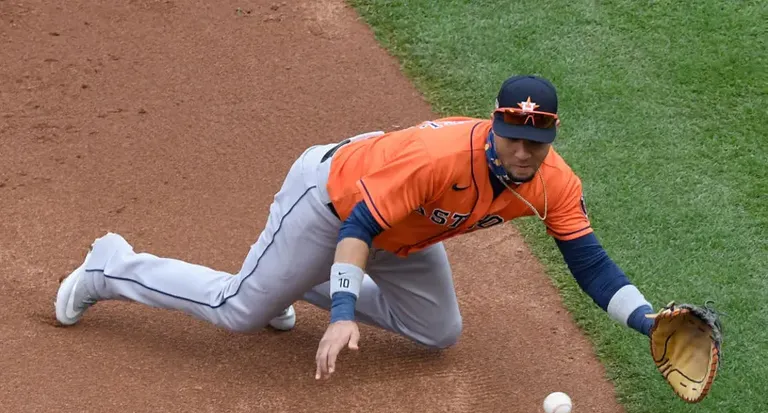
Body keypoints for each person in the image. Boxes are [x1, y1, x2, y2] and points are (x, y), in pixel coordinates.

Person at [55, 74, 656, 380]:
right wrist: (342, 316)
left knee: (438, 331)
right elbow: (359, 227)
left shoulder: (555, 182)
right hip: (335, 201)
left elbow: (590, 264)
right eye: (515, 139)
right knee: (238, 309)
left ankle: (293, 282)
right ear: (494, 127)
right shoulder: (438, 159)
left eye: (537, 143)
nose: (525, 153)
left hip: (405, 231)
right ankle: (110, 266)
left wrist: (646, 321)